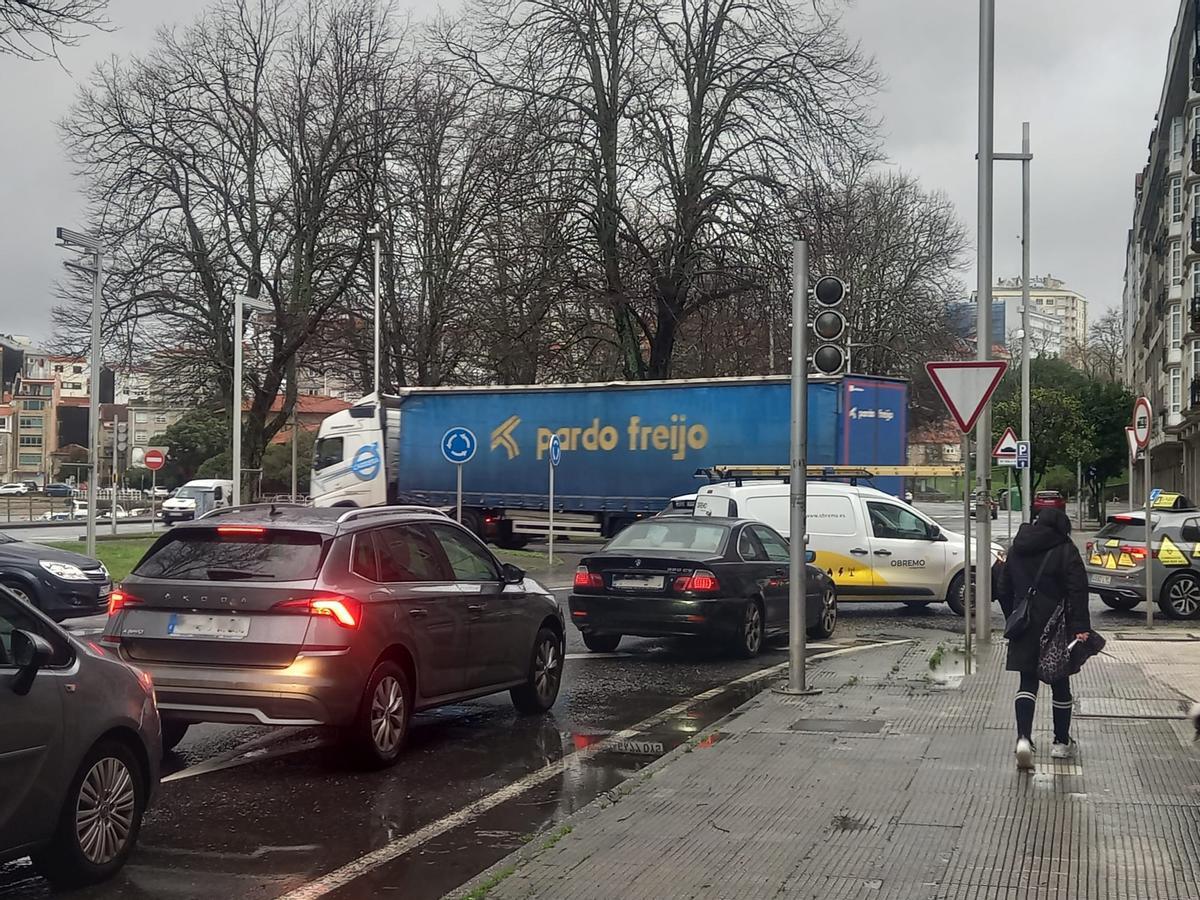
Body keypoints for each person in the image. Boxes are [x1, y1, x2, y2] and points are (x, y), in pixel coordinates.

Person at [997, 507, 1091, 769]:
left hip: (1024, 624)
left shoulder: (1018, 547)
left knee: (1027, 681)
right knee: (1059, 682)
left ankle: (1023, 740)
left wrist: (1014, 614)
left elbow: (1003, 587)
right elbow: (1078, 590)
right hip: (1056, 625)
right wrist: (1080, 626)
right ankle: (1061, 743)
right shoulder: (1066, 549)